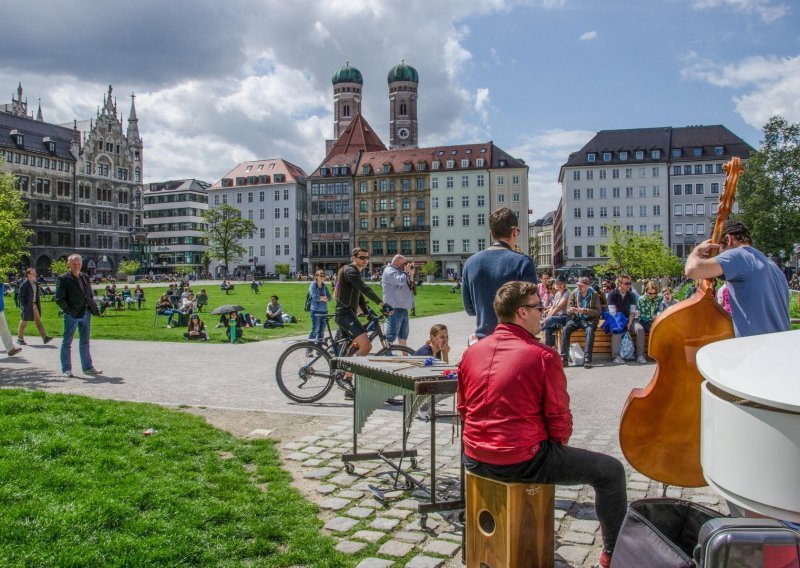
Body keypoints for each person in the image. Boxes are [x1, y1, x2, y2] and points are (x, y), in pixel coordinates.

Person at [458, 281, 626, 568]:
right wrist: (555, 448)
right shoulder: (543, 356)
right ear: (522, 313)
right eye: (538, 307)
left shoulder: (472, 352)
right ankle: (613, 554)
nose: (543, 312)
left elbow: (463, 409)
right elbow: (559, 419)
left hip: (473, 456)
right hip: (521, 459)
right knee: (611, 472)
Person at [685, 220, 790, 337]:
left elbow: (692, 270)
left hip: (757, 347)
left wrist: (695, 252)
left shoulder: (738, 255)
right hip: (780, 344)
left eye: (717, 251)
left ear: (728, 239)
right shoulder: (771, 265)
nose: (717, 257)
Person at [462, 207, 538, 339]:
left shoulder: (470, 263)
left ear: (491, 233)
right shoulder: (522, 262)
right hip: (515, 340)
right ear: (514, 232)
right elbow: (533, 305)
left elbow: (470, 309)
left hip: (484, 340)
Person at [335, 247, 391, 398]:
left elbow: (359, 296)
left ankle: (348, 388)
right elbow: (364, 289)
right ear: (354, 258)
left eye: (367, 258)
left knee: (354, 348)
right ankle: (345, 378)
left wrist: (368, 313)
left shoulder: (355, 272)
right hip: (345, 315)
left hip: (349, 314)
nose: (365, 260)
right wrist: (382, 304)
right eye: (361, 257)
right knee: (366, 346)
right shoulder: (350, 271)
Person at [54, 254, 102, 377]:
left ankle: (87, 367)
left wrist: (91, 305)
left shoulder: (85, 277)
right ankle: (66, 369)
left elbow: (89, 294)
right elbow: (59, 299)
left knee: (85, 341)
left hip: (86, 312)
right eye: (74, 264)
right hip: (72, 314)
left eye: (78, 264)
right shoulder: (63, 278)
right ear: (69, 264)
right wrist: (69, 311)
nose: (76, 266)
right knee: (67, 341)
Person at [560, 276, 602, 369]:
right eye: (578, 285)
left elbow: (598, 311)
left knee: (590, 330)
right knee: (566, 329)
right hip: (576, 319)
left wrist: (585, 311)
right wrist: (571, 310)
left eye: (582, 285)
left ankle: (587, 359)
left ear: (587, 286)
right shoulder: (574, 293)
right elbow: (567, 310)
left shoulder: (594, 294)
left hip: (589, 319)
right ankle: (563, 358)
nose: (579, 287)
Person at [414, 324, 451, 420]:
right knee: (449, 387)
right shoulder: (426, 353)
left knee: (452, 383)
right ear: (433, 338)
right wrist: (445, 354)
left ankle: (425, 405)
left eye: (447, 336)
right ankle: (421, 407)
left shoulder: (437, 350)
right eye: (442, 337)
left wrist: (444, 353)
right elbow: (441, 375)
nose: (445, 340)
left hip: (423, 382)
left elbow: (443, 374)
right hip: (415, 386)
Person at [607, 275, 647, 364]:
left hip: (629, 319)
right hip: (617, 319)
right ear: (619, 284)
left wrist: (629, 322)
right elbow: (613, 312)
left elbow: (633, 311)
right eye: (626, 283)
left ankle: (640, 355)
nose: (629, 285)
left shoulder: (631, 295)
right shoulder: (612, 294)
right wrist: (622, 324)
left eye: (630, 283)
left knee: (640, 329)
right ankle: (616, 356)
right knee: (617, 330)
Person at [381, 255, 415, 347]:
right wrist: (406, 271)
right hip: (394, 306)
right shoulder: (389, 271)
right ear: (397, 263)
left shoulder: (400, 272)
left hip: (402, 306)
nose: (405, 265)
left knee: (403, 333)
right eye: (404, 263)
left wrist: (411, 274)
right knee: (392, 333)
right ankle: (387, 352)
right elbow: (400, 281)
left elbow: (410, 285)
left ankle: (405, 353)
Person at [17, 268, 53, 346]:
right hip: (27, 306)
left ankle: (45, 338)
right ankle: (20, 338)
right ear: (28, 275)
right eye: (33, 273)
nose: (35, 274)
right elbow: (21, 297)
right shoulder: (24, 284)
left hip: (34, 305)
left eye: (35, 273)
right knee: (24, 321)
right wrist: (24, 306)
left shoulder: (35, 283)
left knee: (38, 321)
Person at [542, 275, 571, 351]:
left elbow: (558, 307)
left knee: (550, 320)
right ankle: (551, 349)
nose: (559, 285)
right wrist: (546, 319)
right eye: (557, 283)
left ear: (564, 284)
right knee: (548, 329)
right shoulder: (557, 294)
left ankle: (538, 329)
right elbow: (553, 307)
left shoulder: (567, 293)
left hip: (566, 317)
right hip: (558, 317)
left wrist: (547, 320)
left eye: (561, 283)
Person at [307, 270, 331, 354]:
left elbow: (330, 298)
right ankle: (309, 350)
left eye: (323, 275)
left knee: (321, 332)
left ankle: (319, 350)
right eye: (320, 275)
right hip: (315, 311)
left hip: (324, 311)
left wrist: (322, 298)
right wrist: (323, 298)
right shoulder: (313, 285)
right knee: (315, 331)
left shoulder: (325, 286)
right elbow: (315, 297)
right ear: (316, 277)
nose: (322, 277)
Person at [0, 277, 22, 357]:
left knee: (4, 329)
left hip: (0, 309)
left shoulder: (1, 282)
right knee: (4, 329)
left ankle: (10, 349)